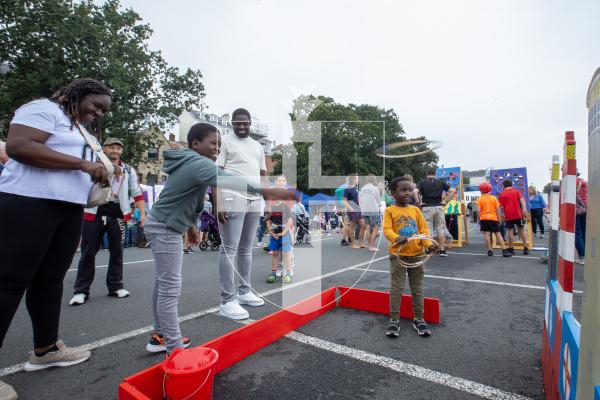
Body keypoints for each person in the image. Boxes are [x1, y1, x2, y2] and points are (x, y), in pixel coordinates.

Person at [0, 78, 112, 399]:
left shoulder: (82, 130)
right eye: (96, 105)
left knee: (50, 281)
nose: (98, 113)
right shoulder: (43, 109)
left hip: (68, 209)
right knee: (8, 282)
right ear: (77, 95)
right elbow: (19, 147)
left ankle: (46, 348)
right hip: (27, 201)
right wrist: (82, 163)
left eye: (104, 111)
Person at [143, 122, 290, 354]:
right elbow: (227, 179)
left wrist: (190, 226)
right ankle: (174, 347)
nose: (217, 148)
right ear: (195, 143)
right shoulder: (198, 163)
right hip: (165, 227)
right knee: (170, 287)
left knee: (163, 283)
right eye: (213, 143)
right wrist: (266, 191)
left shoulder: (191, 162)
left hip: (165, 224)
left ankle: (159, 335)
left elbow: (185, 197)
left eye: (220, 144)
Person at [70, 137, 145, 305]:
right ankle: (81, 290)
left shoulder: (128, 170)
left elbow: (136, 192)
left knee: (117, 252)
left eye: (118, 148)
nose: (115, 151)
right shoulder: (93, 165)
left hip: (117, 214)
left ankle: (116, 286)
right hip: (94, 212)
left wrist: (142, 214)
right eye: (112, 148)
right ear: (104, 148)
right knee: (88, 253)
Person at [215, 108, 267, 320]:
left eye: (245, 123)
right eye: (237, 123)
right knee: (229, 249)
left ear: (250, 123)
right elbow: (216, 172)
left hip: (255, 198)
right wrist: (218, 202)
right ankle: (227, 300)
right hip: (231, 195)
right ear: (233, 123)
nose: (241, 126)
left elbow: (263, 174)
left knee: (247, 248)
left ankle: (244, 291)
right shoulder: (225, 141)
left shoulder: (257, 146)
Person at [383, 176, 436, 338]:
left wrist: (428, 245)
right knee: (396, 289)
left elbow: (424, 231)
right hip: (398, 255)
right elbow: (387, 230)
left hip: (417, 255)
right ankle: (394, 319)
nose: (408, 193)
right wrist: (396, 238)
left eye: (410, 190)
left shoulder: (416, 210)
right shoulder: (390, 210)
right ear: (393, 193)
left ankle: (419, 318)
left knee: (417, 288)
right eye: (403, 190)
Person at [417, 167, 450, 257]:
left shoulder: (422, 182)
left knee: (428, 229)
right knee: (440, 229)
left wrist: (418, 202)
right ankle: (442, 250)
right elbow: (453, 191)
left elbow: (415, 191)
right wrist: (446, 201)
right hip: (439, 207)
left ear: (426, 173)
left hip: (427, 207)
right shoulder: (441, 182)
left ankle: (429, 249)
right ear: (435, 173)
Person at [477, 183, 512, 257]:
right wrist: (499, 219)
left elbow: (478, 210)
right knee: (498, 234)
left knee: (486, 234)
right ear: (490, 189)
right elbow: (498, 209)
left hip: (484, 218)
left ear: (481, 190)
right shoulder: (494, 198)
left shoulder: (480, 199)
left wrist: (479, 218)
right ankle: (504, 251)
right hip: (493, 218)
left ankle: (490, 250)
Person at [265, 197, 294, 283]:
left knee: (286, 253)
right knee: (275, 253)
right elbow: (268, 221)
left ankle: (288, 273)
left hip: (284, 234)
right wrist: (271, 232)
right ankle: (273, 273)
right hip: (274, 234)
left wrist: (283, 232)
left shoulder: (285, 207)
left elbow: (289, 221)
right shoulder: (271, 207)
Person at [498, 179, 530, 255]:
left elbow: (500, 206)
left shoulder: (502, 194)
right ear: (511, 185)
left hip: (508, 215)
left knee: (510, 231)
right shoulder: (516, 191)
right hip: (518, 214)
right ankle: (525, 248)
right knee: (521, 230)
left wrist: (501, 214)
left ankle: (511, 248)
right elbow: (522, 200)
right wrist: (524, 209)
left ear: (503, 186)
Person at [359, 174, 382, 251]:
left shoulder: (362, 188)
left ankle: (370, 245)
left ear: (367, 180)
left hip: (365, 210)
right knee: (375, 227)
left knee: (368, 227)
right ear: (374, 180)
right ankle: (372, 246)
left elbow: (360, 199)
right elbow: (378, 200)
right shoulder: (375, 189)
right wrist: (380, 205)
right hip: (373, 210)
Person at [344, 175, 367, 249]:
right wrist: (350, 208)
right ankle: (353, 244)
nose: (358, 180)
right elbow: (344, 201)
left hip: (358, 209)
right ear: (353, 180)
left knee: (363, 225)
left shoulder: (356, 188)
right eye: (357, 179)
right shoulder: (347, 189)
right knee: (352, 227)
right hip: (352, 210)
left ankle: (361, 243)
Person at [575, 172, 587, 264]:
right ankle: (587, 255)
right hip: (585, 209)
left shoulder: (571, 182)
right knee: (584, 233)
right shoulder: (583, 182)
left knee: (577, 234)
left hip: (575, 210)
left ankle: (582, 256)